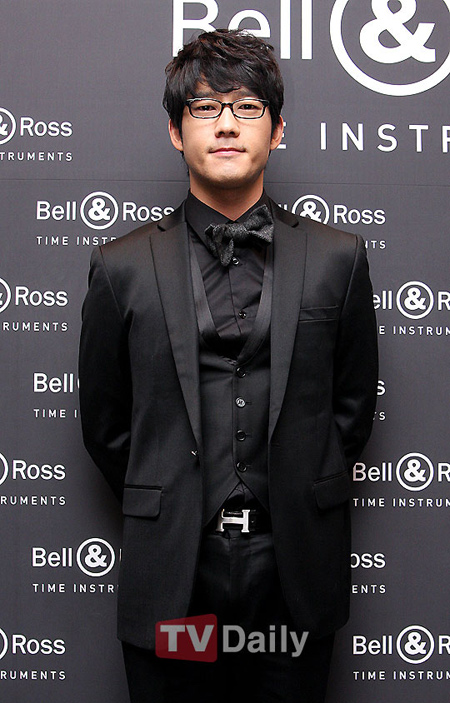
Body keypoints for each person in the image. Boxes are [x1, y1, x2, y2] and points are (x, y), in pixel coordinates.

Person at [79, 29, 378, 703]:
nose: (225, 124)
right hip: (176, 569)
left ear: (277, 131)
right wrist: (174, 500)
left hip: (292, 570)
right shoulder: (121, 266)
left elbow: (351, 408)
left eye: (246, 107)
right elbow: (106, 423)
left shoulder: (339, 257)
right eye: (205, 107)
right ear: (175, 131)